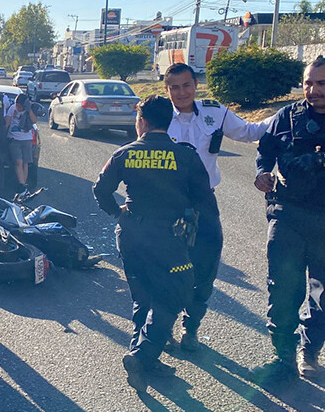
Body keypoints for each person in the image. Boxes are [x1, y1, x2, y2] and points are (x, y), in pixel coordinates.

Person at [93, 95, 219, 392]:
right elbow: (205, 201)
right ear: (169, 121)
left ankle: (147, 362)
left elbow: (100, 189)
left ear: (143, 121)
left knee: (143, 297)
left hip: (131, 235)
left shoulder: (125, 153)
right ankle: (142, 355)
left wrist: (117, 212)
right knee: (174, 296)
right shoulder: (185, 156)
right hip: (169, 238)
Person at [251, 56, 325, 384]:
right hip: (289, 214)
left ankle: (309, 351)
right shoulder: (287, 116)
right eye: (309, 83)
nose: (313, 90)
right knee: (282, 289)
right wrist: (262, 172)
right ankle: (282, 356)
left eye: (322, 83)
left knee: (323, 291)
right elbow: (265, 151)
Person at [162, 63, 270, 352]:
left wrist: (284, 117)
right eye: (174, 87)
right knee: (165, 268)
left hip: (203, 202)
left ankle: (191, 327)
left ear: (196, 85)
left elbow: (249, 132)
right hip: (167, 203)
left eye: (186, 85)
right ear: (166, 89)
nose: (181, 92)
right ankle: (160, 326)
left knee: (205, 268)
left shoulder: (214, 112)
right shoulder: (157, 114)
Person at [5, 94, 38, 198]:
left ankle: (23, 186)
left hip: (26, 138)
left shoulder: (29, 110)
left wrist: (29, 110)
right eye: (17, 105)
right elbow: (7, 123)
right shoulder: (12, 108)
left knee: (25, 163)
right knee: (18, 161)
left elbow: (34, 121)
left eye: (20, 106)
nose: (17, 108)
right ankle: (22, 185)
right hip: (14, 138)